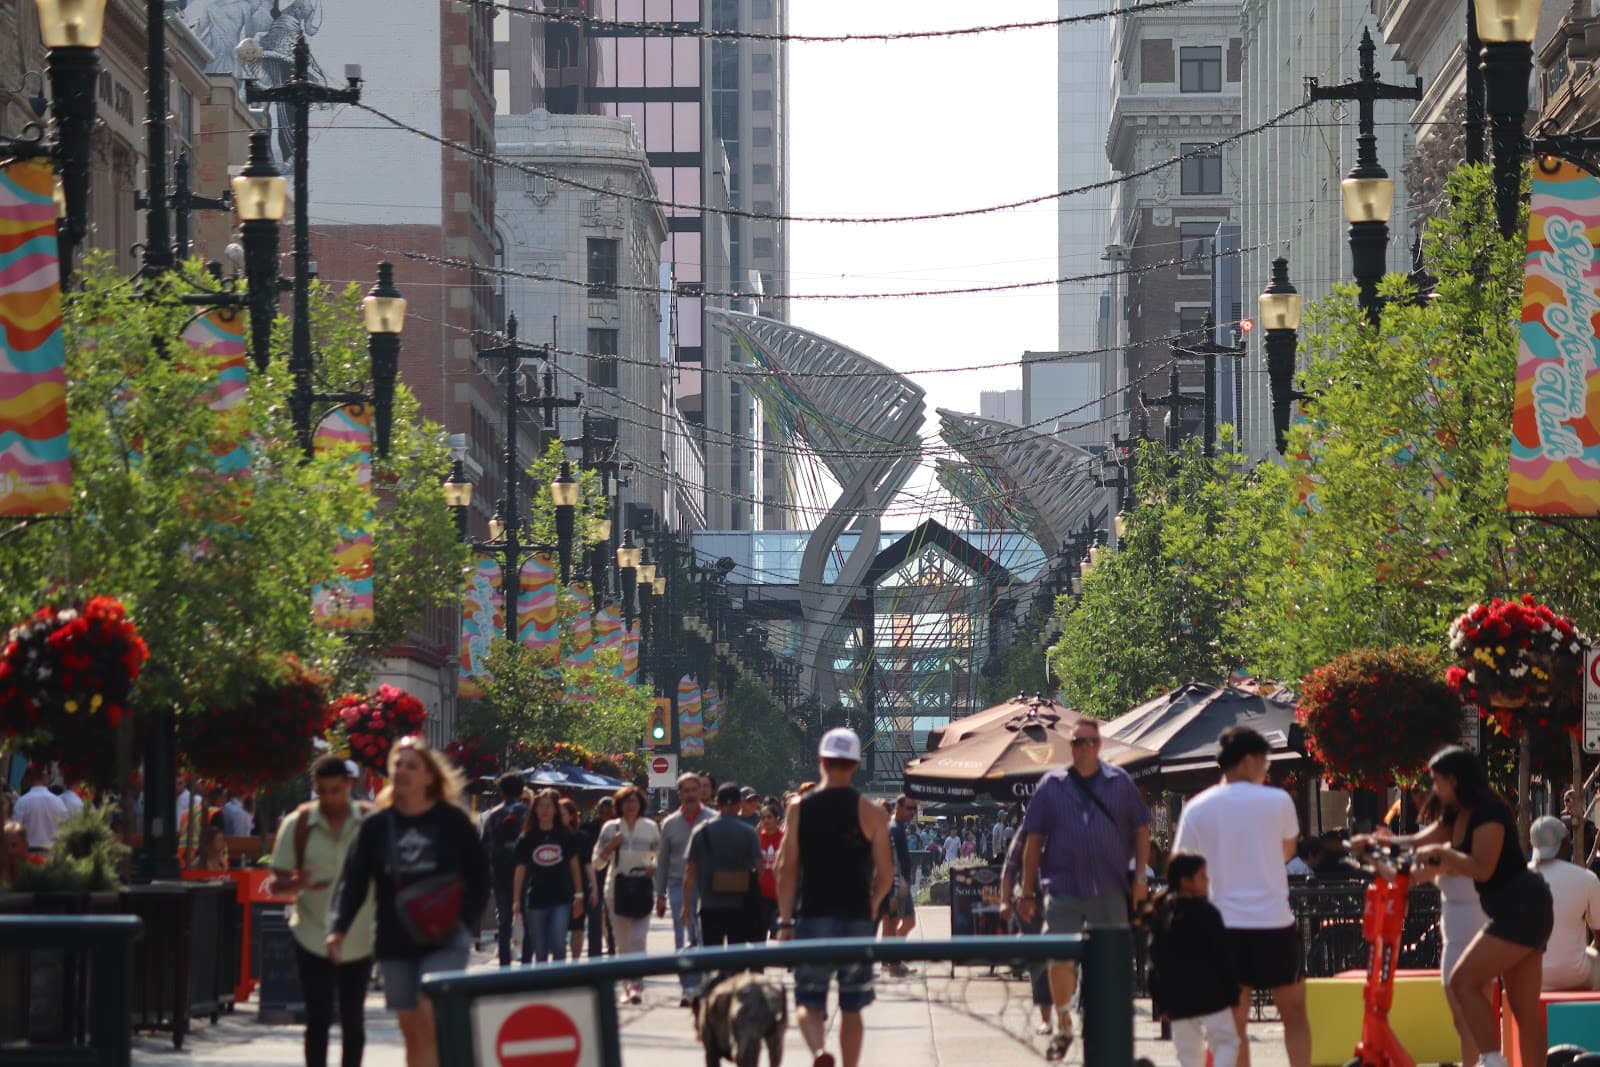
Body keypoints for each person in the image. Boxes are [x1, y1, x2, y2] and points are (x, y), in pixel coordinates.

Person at [1357, 746, 1553, 1067]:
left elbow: (1482, 868)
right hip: (1513, 909)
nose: (1435, 789)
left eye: (1438, 781)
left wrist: (1445, 855)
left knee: (1464, 981)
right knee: (1523, 1008)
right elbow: (1420, 842)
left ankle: (1492, 1060)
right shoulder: (1455, 812)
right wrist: (1384, 842)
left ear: (1454, 779)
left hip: (1522, 906)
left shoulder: (1489, 811)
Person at [328, 736, 490, 1067]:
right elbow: (354, 879)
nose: (402, 771)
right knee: (411, 1027)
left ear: (430, 776)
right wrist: (338, 928)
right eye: (397, 764)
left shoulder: (452, 821)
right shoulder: (376, 825)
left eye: (411, 766)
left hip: (445, 936)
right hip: (394, 938)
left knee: (429, 1016)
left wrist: (465, 918)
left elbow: (480, 875)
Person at [1172, 726, 1307, 1067]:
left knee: (1234, 1023)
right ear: (1248, 761)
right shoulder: (1278, 800)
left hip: (1222, 924)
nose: (1267, 771)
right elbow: (1288, 850)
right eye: (1265, 763)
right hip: (1274, 920)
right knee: (1294, 1013)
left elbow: (1181, 865)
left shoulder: (1198, 806)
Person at [1019, 717, 1152, 1061]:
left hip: (1109, 885)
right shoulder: (1052, 785)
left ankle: (1103, 1024)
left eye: (1091, 741)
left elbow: (1141, 830)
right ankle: (1064, 1022)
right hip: (1063, 886)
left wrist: (1139, 879)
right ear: (1071, 746)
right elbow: (1033, 839)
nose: (1085, 747)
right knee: (1058, 955)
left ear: (1100, 745)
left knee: (1112, 961)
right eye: (1079, 742)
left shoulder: (1119, 782)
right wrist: (1026, 890)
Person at [775, 728, 893, 1067]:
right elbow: (885, 875)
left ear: (822, 761)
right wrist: (871, 907)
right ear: (855, 764)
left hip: (813, 916)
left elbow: (786, 868)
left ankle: (818, 1050)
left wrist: (785, 921)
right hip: (856, 917)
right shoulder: (873, 813)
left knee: (808, 999)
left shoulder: (799, 809)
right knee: (853, 1005)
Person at [270, 756, 376, 1067]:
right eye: (323, 791)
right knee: (317, 1019)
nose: (329, 798)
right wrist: (297, 883)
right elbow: (276, 885)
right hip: (311, 935)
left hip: (358, 937)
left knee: (353, 1020)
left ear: (349, 785)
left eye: (335, 790)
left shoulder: (370, 823)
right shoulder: (298, 824)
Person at [1146, 853, 1241, 1067]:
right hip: (1212, 993)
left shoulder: (1162, 913)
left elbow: (1155, 960)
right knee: (1227, 1042)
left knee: (1188, 1053)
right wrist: (1233, 994)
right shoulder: (1208, 912)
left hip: (1177, 996)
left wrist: (1161, 1001)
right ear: (1186, 880)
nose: (1207, 880)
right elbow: (1224, 956)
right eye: (1202, 876)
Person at [595, 785, 659, 1005]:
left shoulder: (650, 827)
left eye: (635, 801)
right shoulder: (609, 828)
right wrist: (611, 846)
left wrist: (655, 867)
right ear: (619, 805)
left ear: (641, 804)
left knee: (638, 939)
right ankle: (626, 986)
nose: (631, 806)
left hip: (642, 888)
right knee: (622, 943)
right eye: (627, 802)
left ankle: (637, 986)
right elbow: (597, 862)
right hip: (616, 890)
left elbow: (660, 856)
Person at [684, 782, 763, 947]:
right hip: (740, 904)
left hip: (709, 905)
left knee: (711, 956)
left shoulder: (701, 831)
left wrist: (685, 907)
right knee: (737, 958)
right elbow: (760, 868)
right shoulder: (749, 833)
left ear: (717, 803)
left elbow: (690, 872)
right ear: (738, 804)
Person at [1527, 815, 1600, 990]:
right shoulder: (1586, 878)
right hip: (1576, 975)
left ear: (1532, 845)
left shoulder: (1515, 878)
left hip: (1529, 975)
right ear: (1564, 844)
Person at [512, 788, 584, 965]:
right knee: (540, 948)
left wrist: (579, 895)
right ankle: (544, 982)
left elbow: (574, 866)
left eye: (548, 806)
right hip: (536, 898)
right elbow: (520, 868)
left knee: (559, 942)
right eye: (541, 806)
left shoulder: (565, 835)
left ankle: (560, 978)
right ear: (534, 810)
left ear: (555, 810)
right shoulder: (527, 837)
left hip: (561, 897)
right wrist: (516, 900)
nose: (544, 810)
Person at [999, 810, 1053, 1037]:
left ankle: (1064, 1012)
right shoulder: (1028, 826)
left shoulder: (1072, 823)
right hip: (1031, 901)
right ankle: (1046, 1018)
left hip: (1063, 897)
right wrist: (1004, 901)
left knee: (1068, 958)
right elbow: (1010, 867)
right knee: (1038, 961)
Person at [655, 772, 708, 1005]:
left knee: (702, 935)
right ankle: (688, 986)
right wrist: (659, 894)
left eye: (693, 790)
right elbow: (662, 860)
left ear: (701, 792)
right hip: (677, 883)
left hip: (706, 885)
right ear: (679, 794)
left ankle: (702, 982)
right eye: (685, 791)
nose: (689, 794)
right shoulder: (670, 823)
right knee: (682, 933)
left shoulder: (711, 819)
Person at [478, 773, 528, 968]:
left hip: (500, 874)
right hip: (526, 874)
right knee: (527, 922)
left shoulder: (493, 815)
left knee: (504, 922)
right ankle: (526, 964)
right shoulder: (527, 813)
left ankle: (504, 965)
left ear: (501, 790)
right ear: (522, 790)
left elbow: (484, 845)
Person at [879, 794, 918, 976]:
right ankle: (892, 957)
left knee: (892, 923)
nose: (912, 812)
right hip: (897, 883)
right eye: (909, 808)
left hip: (897, 883)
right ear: (899, 808)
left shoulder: (898, 827)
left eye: (914, 809)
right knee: (903, 921)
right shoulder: (894, 828)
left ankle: (890, 957)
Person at [560, 797, 599, 960]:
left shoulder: (582, 837)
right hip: (556, 887)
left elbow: (588, 864)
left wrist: (594, 888)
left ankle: (575, 962)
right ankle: (558, 963)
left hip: (578, 887)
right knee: (558, 927)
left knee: (577, 926)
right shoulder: (550, 836)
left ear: (571, 815)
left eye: (562, 814)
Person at [580, 795, 616, 958]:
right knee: (595, 918)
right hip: (593, 875)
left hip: (613, 875)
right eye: (603, 813)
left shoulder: (619, 828)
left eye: (609, 813)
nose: (606, 816)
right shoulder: (588, 828)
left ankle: (612, 949)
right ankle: (595, 955)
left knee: (612, 917)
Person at [13, 767, 68, 852]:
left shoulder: (22, 802)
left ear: (28, 779)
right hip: (52, 854)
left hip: (29, 853)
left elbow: (15, 832)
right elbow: (65, 830)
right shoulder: (59, 802)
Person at [756, 800, 784, 939]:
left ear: (776, 819)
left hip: (779, 895)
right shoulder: (757, 837)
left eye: (769, 817)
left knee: (777, 935)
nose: (766, 820)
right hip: (761, 895)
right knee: (759, 935)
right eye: (763, 817)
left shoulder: (784, 838)